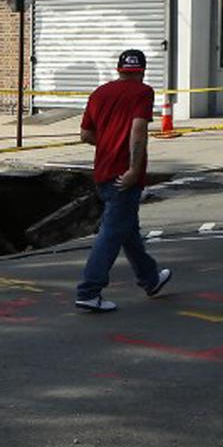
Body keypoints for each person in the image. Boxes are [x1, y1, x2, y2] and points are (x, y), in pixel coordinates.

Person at [74, 49, 172, 313]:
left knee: (128, 232)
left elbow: (85, 134)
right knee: (111, 233)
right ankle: (89, 291)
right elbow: (138, 131)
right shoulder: (143, 92)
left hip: (103, 172)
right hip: (124, 176)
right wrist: (133, 169)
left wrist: (106, 143)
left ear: (119, 69)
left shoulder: (99, 93)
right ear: (142, 71)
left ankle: (150, 279)